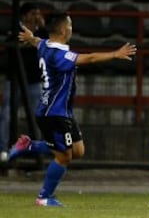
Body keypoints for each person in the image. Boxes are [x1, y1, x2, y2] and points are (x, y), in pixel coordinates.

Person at [8, 11, 136, 206]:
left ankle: (30, 145)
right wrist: (115, 54)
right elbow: (90, 58)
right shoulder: (60, 54)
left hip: (62, 111)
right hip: (53, 113)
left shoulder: (45, 46)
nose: (71, 28)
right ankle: (44, 197)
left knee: (78, 150)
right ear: (62, 29)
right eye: (70, 24)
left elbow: (38, 42)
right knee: (64, 156)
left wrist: (30, 37)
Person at [0, 2, 48, 162]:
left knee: (38, 117)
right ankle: (3, 149)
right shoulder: (15, 30)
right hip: (14, 81)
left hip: (34, 81)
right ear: (25, 15)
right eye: (34, 13)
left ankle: (37, 151)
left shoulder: (42, 32)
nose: (37, 17)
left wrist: (43, 30)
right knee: (6, 115)